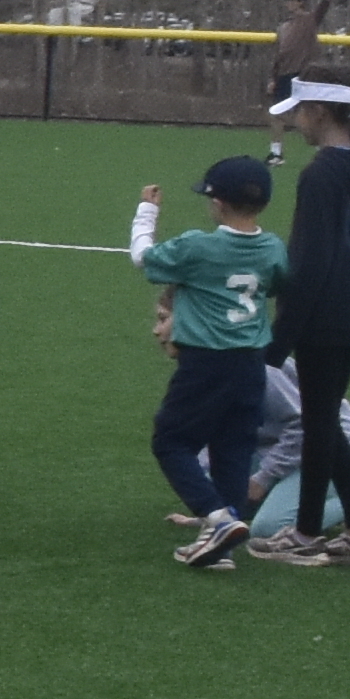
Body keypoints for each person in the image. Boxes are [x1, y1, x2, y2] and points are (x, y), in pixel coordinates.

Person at [260, 78, 350, 567]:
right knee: (323, 417)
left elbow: (311, 261)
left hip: (327, 311)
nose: (293, 121)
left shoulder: (321, 174)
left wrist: (282, 337)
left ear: (318, 111)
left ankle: (323, 534)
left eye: (299, 111)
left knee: (320, 421)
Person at [131, 155, 285, 567]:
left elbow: (143, 257)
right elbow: (279, 285)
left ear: (217, 203)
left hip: (206, 364)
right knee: (233, 448)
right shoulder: (272, 248)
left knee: (170, 440)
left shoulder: (199, 246)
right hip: (252, 364)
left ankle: (216, 518)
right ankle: (223, 543)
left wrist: (147, 213)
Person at [242, 360, 350, 556]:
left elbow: (305, 424)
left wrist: (264, 477)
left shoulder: (257, 367)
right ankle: (284, 499)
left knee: (268, 528)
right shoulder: (208, 362)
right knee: (215, 497)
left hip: (332, 447)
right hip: (275, 447)